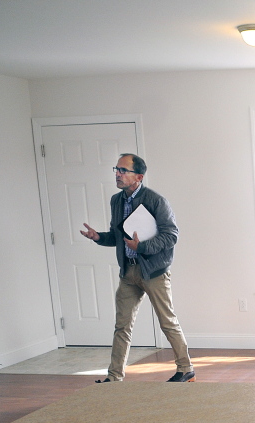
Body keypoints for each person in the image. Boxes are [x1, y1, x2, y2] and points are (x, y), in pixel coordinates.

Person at [80, 154, 195, 383]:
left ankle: (186, 369)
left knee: (167, 322)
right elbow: (117, 235)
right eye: (117, 169)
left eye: (123, 170)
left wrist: (141, 246)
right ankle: (114, 378)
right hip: (128, 273)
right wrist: (98, 237)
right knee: (121, 326)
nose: (118, 174)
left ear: (138, 177)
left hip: (153, 272)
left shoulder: (155, 200)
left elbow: (171, 235)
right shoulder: (116, 200)